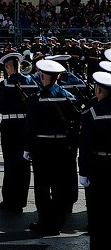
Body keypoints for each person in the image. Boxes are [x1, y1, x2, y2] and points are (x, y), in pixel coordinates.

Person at [23, 58, 81, 235]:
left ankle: (45, 222)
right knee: (59, 186)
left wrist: (28, 148)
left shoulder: (36, 99)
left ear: (43, 76)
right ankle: (58, 222)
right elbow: (76, 124)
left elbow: (30, 126)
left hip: (42, 147)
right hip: (62, 147)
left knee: (42, 187)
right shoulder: (69, 97)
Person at [0, 52, 38, 213]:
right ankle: (21, 200)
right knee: (24, 164)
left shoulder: (6, 84)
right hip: (27, 124)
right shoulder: (32, 82)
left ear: (8, 67)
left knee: (11, 163)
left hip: (10, 125)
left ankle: (10, 201)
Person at [78, 71, 111, 250]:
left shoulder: (92, 112)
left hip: (99, 167)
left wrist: (83, 171)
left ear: (99, 89)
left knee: (98, 214)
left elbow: (85, 144)